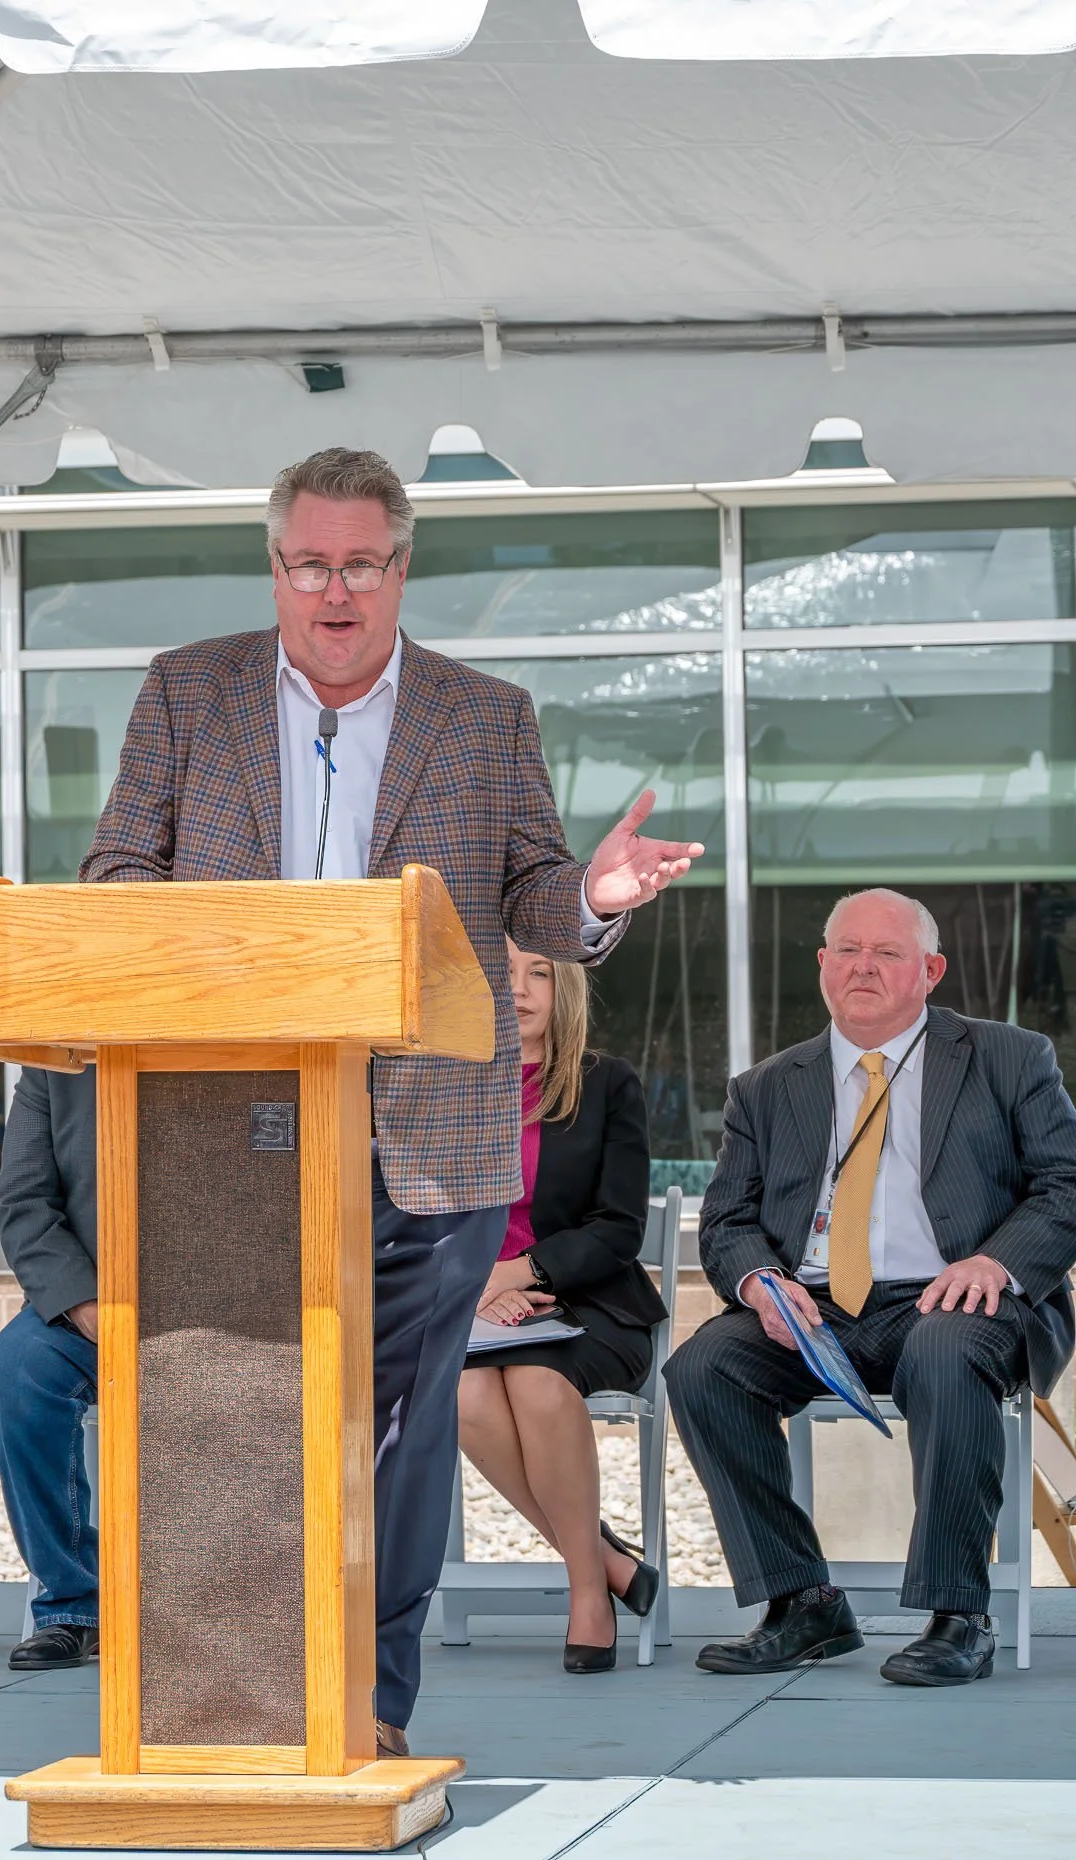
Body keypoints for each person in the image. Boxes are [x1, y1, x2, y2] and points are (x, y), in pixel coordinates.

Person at [80, 446, 703, 1749]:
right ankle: (233, 1708)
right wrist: (222, 953)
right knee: (237, 1425)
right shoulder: (186, 695)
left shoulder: (483, 717)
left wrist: (594, 898)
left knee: (403, 1437)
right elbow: (120, 869)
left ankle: (371, 1712)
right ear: (277, 568)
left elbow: (531, 889)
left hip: (433, 1134)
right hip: (230, 1132)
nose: (336, 591)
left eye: (361, 563)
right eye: (311, 564)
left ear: (401, 567)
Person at [665, 887, 1076, 1687]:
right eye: (848, 950)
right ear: (822, 965)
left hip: (958, 1295)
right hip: (815, 1305)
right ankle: (802, 1602)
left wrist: (998, 1260)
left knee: (947, 1356)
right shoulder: (767, 1087)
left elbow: (1065, 1184)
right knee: (702, 1369)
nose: (863, 967)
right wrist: (759, 1282)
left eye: (887, 954)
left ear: (930, 971)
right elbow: (727, 1220)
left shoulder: (1008, 1057)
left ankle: (960, 1615)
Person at [460, 940, 666, 1673]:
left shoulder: (605, 1083)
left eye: (538, 973)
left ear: (566, 987)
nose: (518, 989)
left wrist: (521, 1270)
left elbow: (619, 1227)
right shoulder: (447, 1083)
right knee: (466, 1395)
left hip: (592, 1305)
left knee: (540, 1386)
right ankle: (607, 1560)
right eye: (501, 973)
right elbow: (419, 1212)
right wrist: (485, 1283)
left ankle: (588, 1587)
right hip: (475, 1307)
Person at [0, 1067, 100, 1670]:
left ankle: (248, 1607)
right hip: (84, 1308)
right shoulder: (57, 1063)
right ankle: (76, 1605)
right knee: (14, 1379)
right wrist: (83, 1303)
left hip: (231, 1304)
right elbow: (24, 1200)